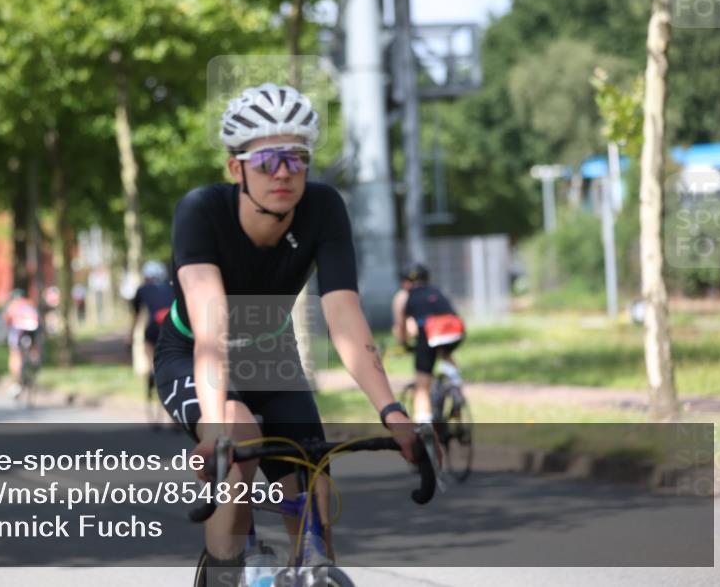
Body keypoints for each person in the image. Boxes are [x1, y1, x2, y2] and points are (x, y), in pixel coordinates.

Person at [153, 83, 418, 585]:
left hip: (271, 353)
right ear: (237, 169)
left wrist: (393, 412)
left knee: (315, 486)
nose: (283, 173)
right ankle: (228, 567)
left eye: (296, 159)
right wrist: (213, 428)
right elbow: (211, 322)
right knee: (239, 437)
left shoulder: (323, 208)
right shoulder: (201, 211)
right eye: (268, 160)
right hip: (194, 352)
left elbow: (344, 315)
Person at [391, 263, 466, 424]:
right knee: (445, 352)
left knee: (422, 385)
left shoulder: (403, 296)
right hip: (455, 330)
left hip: (430, 334)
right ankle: (455, 385)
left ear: (405, 282)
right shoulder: (437, 290)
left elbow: (401, 327)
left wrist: (404, 344)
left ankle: (424, 422)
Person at [127, 261, 174, 426]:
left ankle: (153, 373)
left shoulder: (142, 290)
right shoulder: (172, 287)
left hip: (153, 328)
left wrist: (130, 336)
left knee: (149, 348)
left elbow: (136, 315)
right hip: (171, 326)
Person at [4, 288, 40, 397]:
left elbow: (8, 321)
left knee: (15, 353)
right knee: (33, 347)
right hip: (33, 328)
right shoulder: (30, 303)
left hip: (19, 330)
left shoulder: (12, 305)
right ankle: (35, 362)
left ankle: (16, 382)